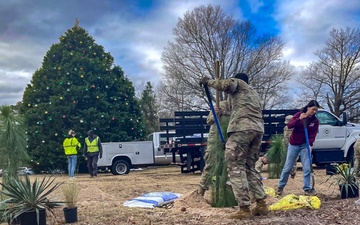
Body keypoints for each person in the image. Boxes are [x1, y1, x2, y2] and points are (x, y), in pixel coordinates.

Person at [200, 73, 269, 220]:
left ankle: (244, 208)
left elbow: (226, 85)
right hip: (257, 130)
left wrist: (209, 82)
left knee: (235, 166)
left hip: (242, 128)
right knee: (250, 167)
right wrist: (218, 113)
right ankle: (261, 203)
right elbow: (232, 110)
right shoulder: (253, 94)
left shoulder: (239, 84)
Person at [276, 100, 320, 196]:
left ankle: (307, 189)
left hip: (305, 144)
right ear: (308, 107)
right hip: (294, 144)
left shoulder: (315, 121)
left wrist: (310, 144)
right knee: (288, 167)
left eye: (316, 110)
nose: (315, 112)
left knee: (307, 167)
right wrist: (299, 119)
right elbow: (290, 125)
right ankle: (280, 187)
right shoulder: (299, 115)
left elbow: (313, 135)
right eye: (313, 109)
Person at [198, 100, 230, 196]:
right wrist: (215, 114)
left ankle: (227, 195)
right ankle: (200, 192)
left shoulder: (238, 106)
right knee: (210, 165)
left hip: (230, 138)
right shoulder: (221, 104)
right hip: (215, 138)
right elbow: (209, 120)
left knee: (231, 167)